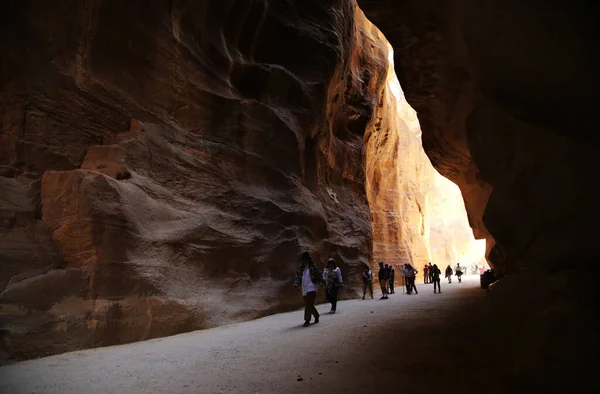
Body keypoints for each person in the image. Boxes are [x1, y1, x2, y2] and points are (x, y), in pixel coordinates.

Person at [293, 252, 322, 327]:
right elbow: (298, 275)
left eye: (306, 259)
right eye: (303, 259)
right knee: (308, 304)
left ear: (309, 259)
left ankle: (307, 320)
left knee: (309, 303)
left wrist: (321, 282)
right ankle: (316, 315)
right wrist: (296, 283)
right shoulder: (301, 267)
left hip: (312, 285)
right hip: (304, 286)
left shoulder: (313, 267)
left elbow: (319, 275)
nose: (304, 261)